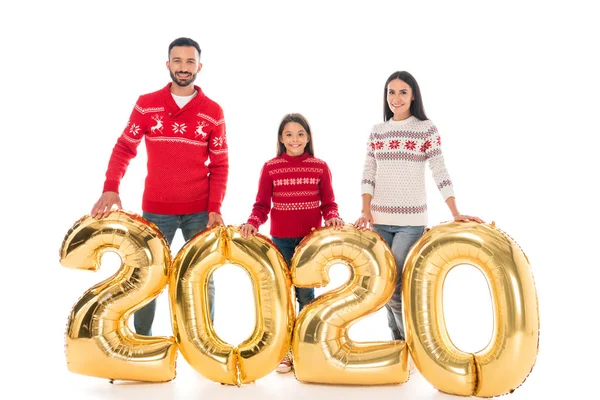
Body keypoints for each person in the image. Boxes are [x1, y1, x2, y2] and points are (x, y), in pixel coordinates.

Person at [90, 37, 229, 336]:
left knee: (203, 276)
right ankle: (142, 341)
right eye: (177, 61)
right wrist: (111, 186)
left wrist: (215, 208)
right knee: (147, 276)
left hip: (199, 212)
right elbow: (125, 147)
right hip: (156, 210)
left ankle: (206, 343)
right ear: (167, 64)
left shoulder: (213, 111)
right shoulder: (147, 104)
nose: (183, 67)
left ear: (199, 67)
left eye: (190, 61)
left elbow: (220, 165)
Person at [354, 71, 482, 344]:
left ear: (413, 95)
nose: (396, 98)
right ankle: (398, 343)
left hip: (410, 223)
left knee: (396, 286)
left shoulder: (425, 129)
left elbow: (439, 170)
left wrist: (455, 212)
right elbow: (368, 172)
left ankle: (409, 344)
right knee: (385, 285)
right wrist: (366, 210)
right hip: (378, 220)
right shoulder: (378, 131)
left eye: (402, 92)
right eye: (391, 92)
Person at [239, 113, 344, 373]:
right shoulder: (271, 167)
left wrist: (333, 217)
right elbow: (262, 205)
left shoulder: (319, 166)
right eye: (289, 134)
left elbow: (328, 203)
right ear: (280, 138)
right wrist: (253, 221)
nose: (295, 139)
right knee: (285, 295)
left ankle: (307, 349)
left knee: (306, 295)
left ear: (308, 137)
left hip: (310, 242)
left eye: (300, 134)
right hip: (282, 241)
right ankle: (286, 351)